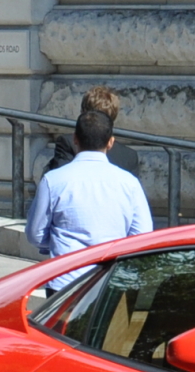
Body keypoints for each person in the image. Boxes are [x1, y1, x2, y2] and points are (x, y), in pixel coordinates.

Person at [26, 87, 152, 258]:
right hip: (109, 272)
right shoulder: (129, 176)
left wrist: (61, 241)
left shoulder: (54, 179)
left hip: (66, 273)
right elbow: (141, 233)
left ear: (76, 139)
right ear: (110, 142)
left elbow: (36, 234)